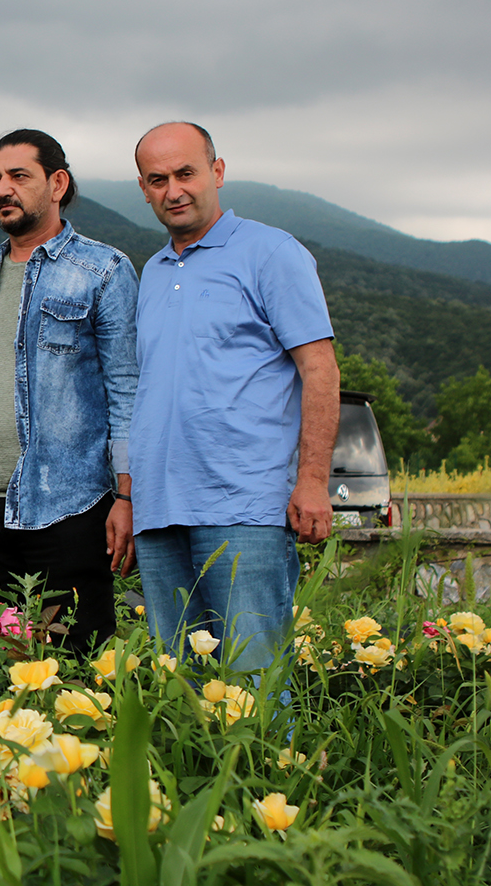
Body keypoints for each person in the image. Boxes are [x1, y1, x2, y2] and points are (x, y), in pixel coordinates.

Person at [0, 129, 138, 653]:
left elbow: (126, 391)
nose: (3, 190)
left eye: (19, 176)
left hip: (71, 505)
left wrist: (129, 496)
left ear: (57, 183)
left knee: (76, 666)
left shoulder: (103, 270)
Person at [130, 122, 339, 670]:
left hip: (243, 509)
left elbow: (319, 369)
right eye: (157, 179)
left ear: (217, 172)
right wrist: (128, 496)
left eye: (185, 173)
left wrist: (313, 480)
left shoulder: (271, 252)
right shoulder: (151, 273)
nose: (173, 190)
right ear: (144, 189)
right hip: (158, 513)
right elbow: (143, 392)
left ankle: (275, 762)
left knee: (255, 683)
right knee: (181, 689)